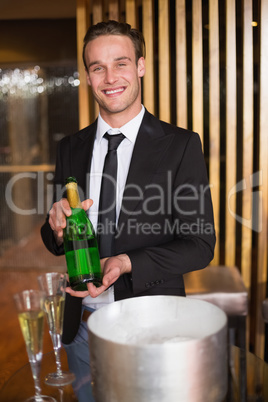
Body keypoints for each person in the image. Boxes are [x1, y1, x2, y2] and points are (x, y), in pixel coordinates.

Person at [41, 20, 215, 401]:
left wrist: (125, 260)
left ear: (140, 66)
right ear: (87, 76)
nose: (109, 77)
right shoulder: (70, 147)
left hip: (151, 324)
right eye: (97, 67)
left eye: (120, 63)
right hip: (82, 326)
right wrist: (55, 229)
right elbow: (59, 236)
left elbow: (200, 244)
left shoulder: (181, 145)